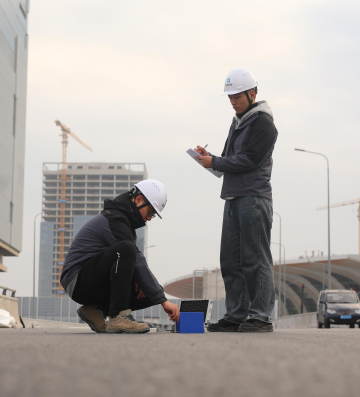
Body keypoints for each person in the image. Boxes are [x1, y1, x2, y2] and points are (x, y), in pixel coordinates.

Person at [195, 68, 278, 333]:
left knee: (255, 260)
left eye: (237, 96)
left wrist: (216, 161)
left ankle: (261, 316)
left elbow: (250, 160)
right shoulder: (238, 122)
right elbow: (229, 159)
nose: (233, 101)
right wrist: (210, 158)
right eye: (230, 97)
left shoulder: (263, 122)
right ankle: (237, 314)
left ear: (252, 94)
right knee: (230, 262)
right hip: (232, 197)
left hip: (253, 198)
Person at [60, 179, 180, 333]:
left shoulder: (124, 223)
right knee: (127, 249)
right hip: (77, 281)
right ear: (138, 200)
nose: (150, 218)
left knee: (148, 292)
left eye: (153, 215)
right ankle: (118, 317)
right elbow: (134, 258)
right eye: (150, 212)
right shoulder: (114, 219)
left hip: (92, 280)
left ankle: (95, 310)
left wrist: (144, 285)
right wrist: (163, 301)